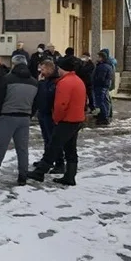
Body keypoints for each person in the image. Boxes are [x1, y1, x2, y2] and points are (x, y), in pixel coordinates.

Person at [0, 55, 37, 185]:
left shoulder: (7, 79)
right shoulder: (34, 82)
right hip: (24, 117)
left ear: (14, 64)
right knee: (22, 148)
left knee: (1, 146)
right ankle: (23, 175)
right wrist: (29, 114)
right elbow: (36, 102)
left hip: (7, 116)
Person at [30, 56, 86, 185]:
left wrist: (56, 118)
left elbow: (61, 105)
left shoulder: (65, 82)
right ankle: (70, 176)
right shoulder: (77, 80)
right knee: (71, 149)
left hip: (67, 120)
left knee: (53, 146)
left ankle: (40, 172)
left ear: (62, 68)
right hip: (77, 119)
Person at [32, 59, 63, 174]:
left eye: (43, 69)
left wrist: (41, 83)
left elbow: (48, 95)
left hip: (50, 113)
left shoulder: (54, 81)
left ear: (50, 69)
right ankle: (46, 160)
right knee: (46, 139)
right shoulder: (46, 80)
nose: (41, 71)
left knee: (53, 139)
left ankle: (59, 162)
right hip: (43, 112)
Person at [92, 51, 114, 125]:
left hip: (100, 86)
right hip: (103, 86)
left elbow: (100, 78)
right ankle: (104, 115)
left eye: (98, 57)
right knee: (104, 101)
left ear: (101, 58)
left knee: (101, 102)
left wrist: (95, 81)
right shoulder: (106, 65)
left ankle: (104, 117)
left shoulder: (103, 66)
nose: (97, 58)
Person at [100, 47, 118, 119]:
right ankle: (108, 113)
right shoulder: (111, 63)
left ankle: (107, 114)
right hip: (109, 82)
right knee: (107, 99)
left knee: (106, 99)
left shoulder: (108, 63)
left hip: (106, 83)